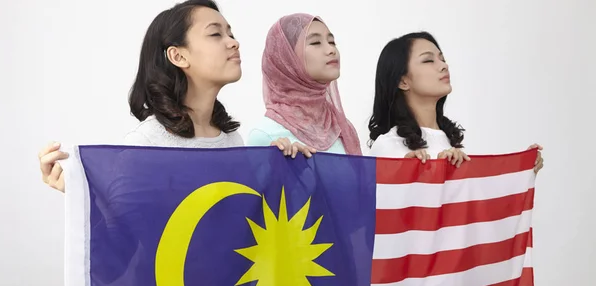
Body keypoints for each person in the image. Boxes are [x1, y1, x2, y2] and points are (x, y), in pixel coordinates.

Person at [38, 0, 309, 193]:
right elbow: (126, 238)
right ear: (178, 55)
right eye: (216, 34)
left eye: (231, 33)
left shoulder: (232, 141)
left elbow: (241, 225)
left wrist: (280, 170)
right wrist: (77, 195)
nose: (233, 42)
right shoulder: (146, 144)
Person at [368, 31, 544, 172]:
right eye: (429, 60)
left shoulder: (448, 141)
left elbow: (473, 208)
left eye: (442, 58)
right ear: (402, 81)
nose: (444, 65)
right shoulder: (388, 145)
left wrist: (525, 170)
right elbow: (381, 211)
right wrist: (411, 176)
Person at [247, 13, 362, 157]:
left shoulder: (341, 128)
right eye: (315, 43)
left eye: (332, 42)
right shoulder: (266, 135)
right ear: (286, 58)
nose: (331, 50)